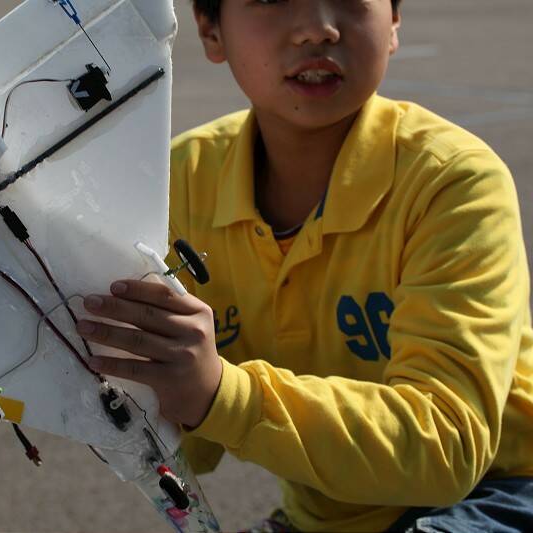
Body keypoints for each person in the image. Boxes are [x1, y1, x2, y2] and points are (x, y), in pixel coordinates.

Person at [75, 0, 533, 531]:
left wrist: (223, 394)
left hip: (501, 492)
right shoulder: (178, 185)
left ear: (395, 24)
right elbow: (188, 452)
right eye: (272, 0)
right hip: (327, 517)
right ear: (210, 29)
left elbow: (449, 446)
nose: (319, 28)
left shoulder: (450, 182)